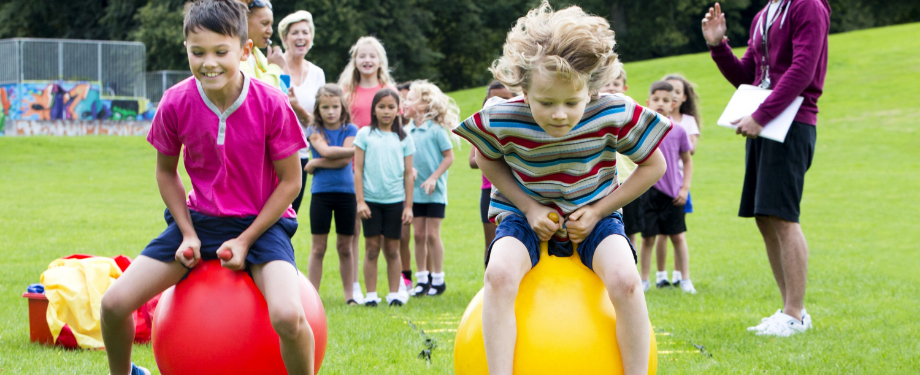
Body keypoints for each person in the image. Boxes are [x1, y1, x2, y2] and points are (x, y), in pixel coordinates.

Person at [453, 3, 670, 374]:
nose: (559, 114)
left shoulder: (612, 112)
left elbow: (655, 166)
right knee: (499, 274)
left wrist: (600, 210)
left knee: (627, 281)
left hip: (596, 219)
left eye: (572, 102)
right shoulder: (503, 115)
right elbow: (485, 158)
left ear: (592, 87)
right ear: (523, 88)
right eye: (546, 102)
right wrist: (528, 207)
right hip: (522, 217)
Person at [100, 1, 315, 374]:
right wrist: (186, 233)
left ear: (245, 51)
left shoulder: (272, 103)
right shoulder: (175, 102)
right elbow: (167, 173)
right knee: (113, 303)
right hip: (199, 222)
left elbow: (292, 182)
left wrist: (246, 240)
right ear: (186, 48)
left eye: (221, 51)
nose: (208, 62)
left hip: (262, 225)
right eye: (197, 52)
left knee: (288, 317)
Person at [702, 0, 829, 336]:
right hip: (766, 122)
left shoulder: (808, 6)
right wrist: (718, 45)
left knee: (784, 216)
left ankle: (795, 314)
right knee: (765, 216)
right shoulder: (764, 13)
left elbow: (802, 69)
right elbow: (750, 76)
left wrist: (761, 115)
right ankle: (789, 310)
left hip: (790, 123)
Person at [337, 36, 398, 303]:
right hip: (353, 165)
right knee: (354, 228)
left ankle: (397, 285)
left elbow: (399, 131)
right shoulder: (346, 91)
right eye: (362, 56)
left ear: (380, 60)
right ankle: (354, 286)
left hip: (383, 170)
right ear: (355, 60)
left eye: (372, 56)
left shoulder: (388, 89)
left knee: (388, 235)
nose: (367, 60)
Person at [353, 89, 414, 307]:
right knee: (371, 248)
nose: (386, 111)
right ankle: (370, 295)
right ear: (374, 109)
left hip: (395, 202)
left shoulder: (404, 137)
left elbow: (409, 173)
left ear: (398, 110)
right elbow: (357, 169)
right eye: (381, 106)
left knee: (392, 248)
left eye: (391, 107)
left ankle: (395, 293)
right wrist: (360, 201)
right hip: (370, 201)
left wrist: (408, 206)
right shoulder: (364, 135)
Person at [637, 81, 695, 294]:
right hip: (647, 192)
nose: (660, 104)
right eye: (656, 99)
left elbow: (687, 161)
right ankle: (644, 280)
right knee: (648, 238)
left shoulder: (679, 131)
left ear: (673, 104)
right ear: (648, 102)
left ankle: (685, 280)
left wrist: (684, 189)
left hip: (673, 194)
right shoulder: (640, 128)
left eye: (666, 100)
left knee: (678, 236)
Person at [303, 84, 359, 305]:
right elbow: (328, 151)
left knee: (345, 247)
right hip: (321, 195)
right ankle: (312, 297)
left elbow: (345, 160)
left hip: (347, 193)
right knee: (318, 247)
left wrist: (316, 162)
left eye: (335, 106)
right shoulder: (313, 130)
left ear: (342, 106)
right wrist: (356, 149)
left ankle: (350, 297)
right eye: (325, 107)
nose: (330, 111)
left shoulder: (351, 130)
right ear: (318, 109)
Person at [402, 80, 458, 297]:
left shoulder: (436, 130)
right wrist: (408, 169)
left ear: (424, 104)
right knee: (418, 235)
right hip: (414, 192)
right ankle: (422, 279)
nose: (405, 102)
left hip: (434, 193)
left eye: (410, 99)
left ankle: (438, 279)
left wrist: (434, 177)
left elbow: (449, 157)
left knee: (433, 235)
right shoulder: (406, 131)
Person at [654, 73, 702, 287]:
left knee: (677, 232)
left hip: (678, 182)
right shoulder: (655, 120)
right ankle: (662, 275)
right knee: (660, 234)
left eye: (676, 92)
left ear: (682, 98)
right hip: (657, 184)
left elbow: (690, 150)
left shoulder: (686, 123)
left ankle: (679, 275)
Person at [279, 10, 326, 213]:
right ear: (284, 38)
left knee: (290, 217)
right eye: (295, 32)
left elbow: (320, 120)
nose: (301, 37)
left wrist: (297, 107)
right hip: (273, 153)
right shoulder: (273, 67)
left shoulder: (317, 73)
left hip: (301, 153)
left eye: (305, 32)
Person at [469, 81, 514, 264]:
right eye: (493, 97)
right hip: (490, 192)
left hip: (517, 192)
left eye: (505, 98)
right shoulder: (483, 127)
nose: (499, 102)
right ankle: (489, 286)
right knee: (492, 243)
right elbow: (473, 161)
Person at [600, 65, 644, 255]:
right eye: (606, 83)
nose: (611, 87)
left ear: (624, 88)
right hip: (605, 183)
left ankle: (631, 267)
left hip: (628, 181)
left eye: (616, 83)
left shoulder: (628, 114)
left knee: (630, 230)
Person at [237, 0, 285, 88]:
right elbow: (255, 93)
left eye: (271, 25)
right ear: (245, 20)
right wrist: (275, 66)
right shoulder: (238, 54)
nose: (270, 31)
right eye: (264, 24)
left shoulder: (257, 55)